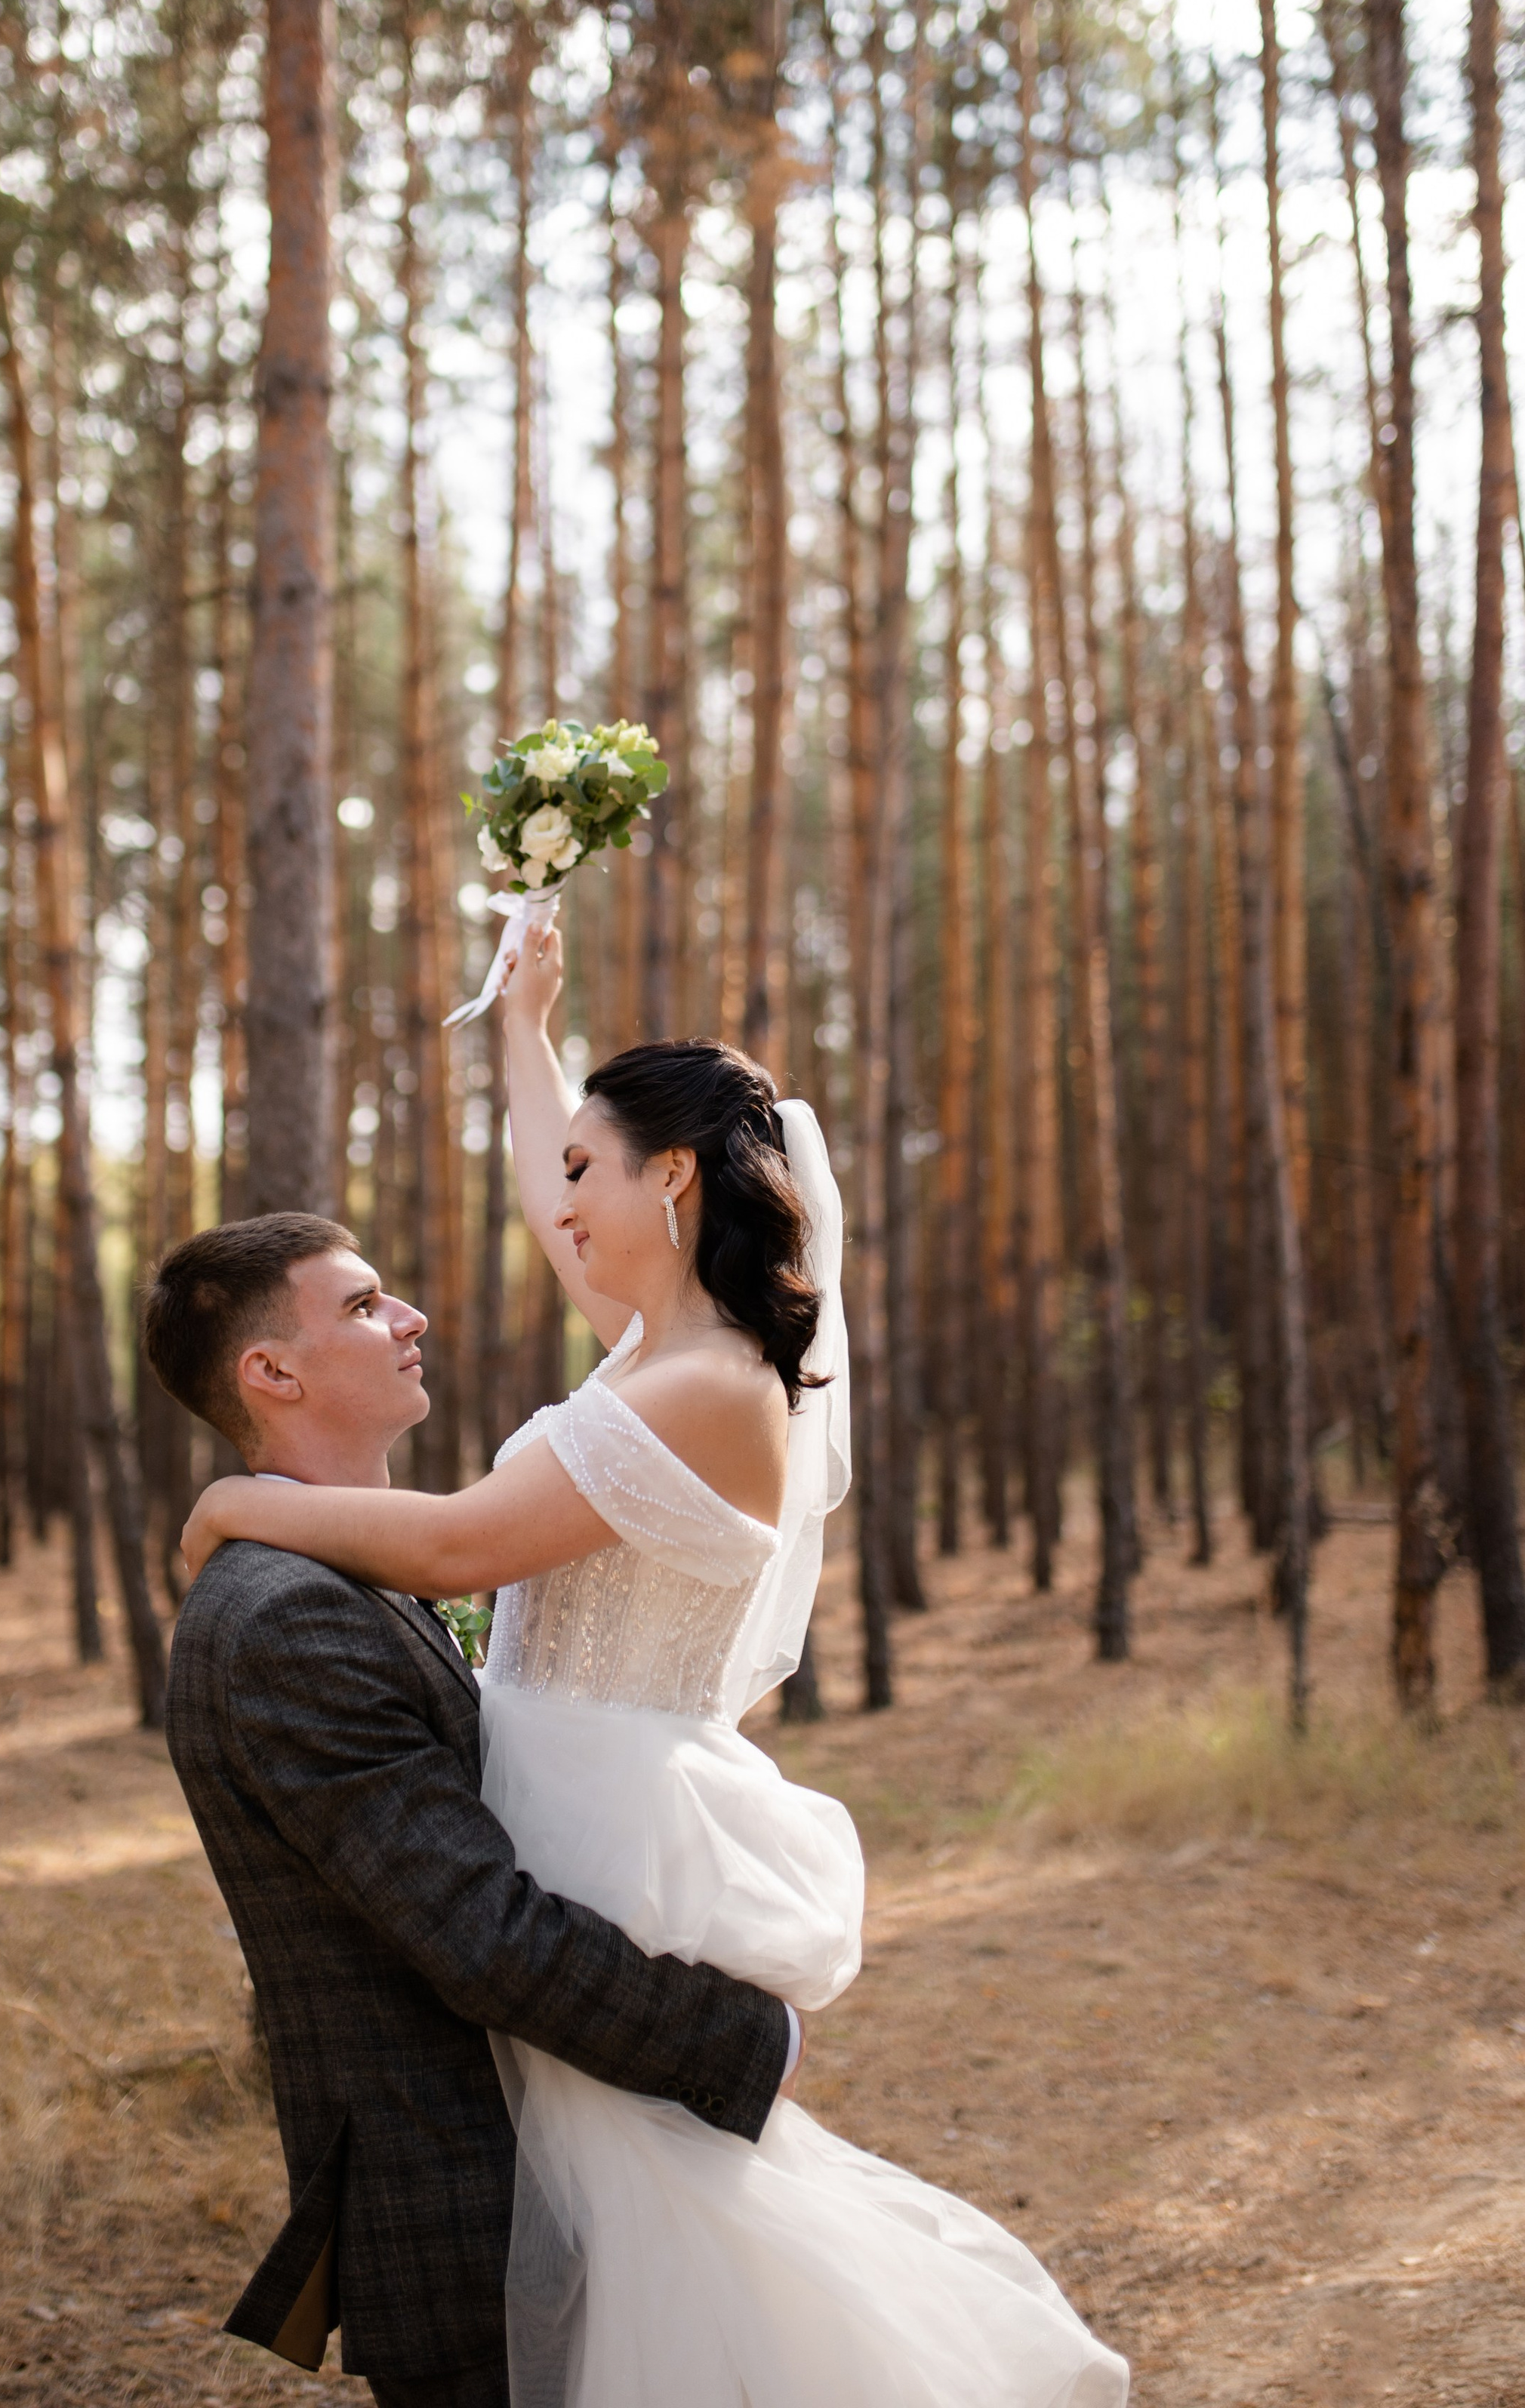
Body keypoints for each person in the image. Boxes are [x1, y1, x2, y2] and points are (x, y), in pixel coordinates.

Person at [177, 919, 1131, 2407]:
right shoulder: (650, 1350)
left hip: (594, 1819)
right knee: (613, 2214)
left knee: (641, 2227)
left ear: (668, 1179)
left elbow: (449, 1549)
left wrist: (241, 1501)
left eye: (587, 1171)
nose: (559, 1202)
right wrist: (521, 1029)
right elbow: (546, 1184)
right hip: (568, 1780)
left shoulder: (703, 1384)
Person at [152, 1206, 799, 2408]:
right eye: (360, 1305)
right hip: (467, 2206)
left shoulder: (350, 1579)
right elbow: (479, 1936)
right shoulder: (287, 1618)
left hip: (545, 2178)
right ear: (272, 1372)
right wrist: (744, 2040)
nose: (411, 1319)